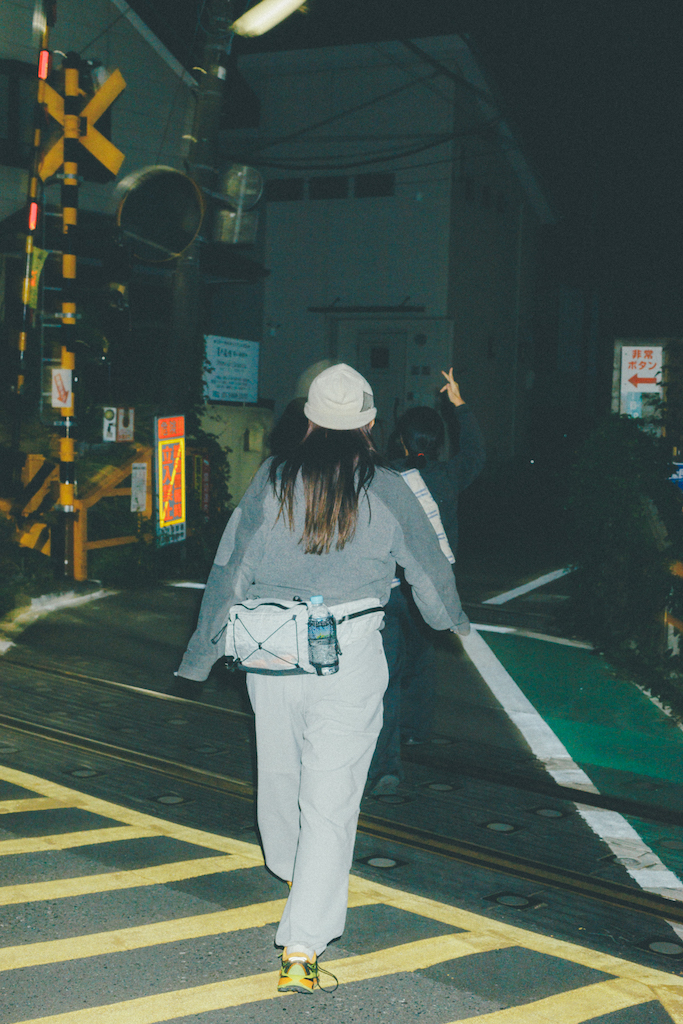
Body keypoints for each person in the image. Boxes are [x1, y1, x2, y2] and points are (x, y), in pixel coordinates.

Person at [177, 363, 469, 995]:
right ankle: (302, 947)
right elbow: (429, 566)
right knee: (331, 802)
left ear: (308, 419)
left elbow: (230, 568)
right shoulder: (389, 487)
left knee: (280, 777)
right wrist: (449, 621)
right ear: (370, 422)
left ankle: (292, 868)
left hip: (272, 653)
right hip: (351, 654)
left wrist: (202, 652)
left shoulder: (273, 478)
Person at [368, 368, 485, 795]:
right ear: (436, 443)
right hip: (430, 589)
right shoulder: (447, 477)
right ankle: (416, 730)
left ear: (399, 440)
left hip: (388, 588)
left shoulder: (381, 479)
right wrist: (459, 405)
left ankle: (387, 760)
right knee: (421, 660)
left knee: (387, 671)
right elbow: (475, 453)